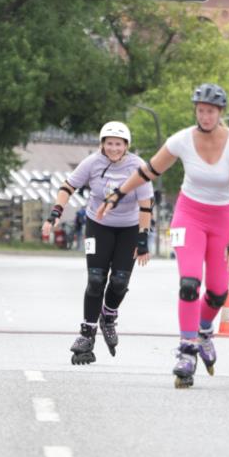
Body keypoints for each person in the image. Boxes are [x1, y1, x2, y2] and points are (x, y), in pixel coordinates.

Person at [97, 83, 229, 388]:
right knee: (190, 283)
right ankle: (187, 350)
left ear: (220, 113)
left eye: (211, 111)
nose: (205, 116)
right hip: (189, 216)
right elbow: (148, 171)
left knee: (219, 292)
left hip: (222, 218)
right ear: (196, 111)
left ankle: (205, 329)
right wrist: (117, 194)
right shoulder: (181, 140)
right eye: (201, 110)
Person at [42, 121, 153, 365]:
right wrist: (55, 213)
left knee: (120, 282)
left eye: (118, 144)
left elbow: (146, 203)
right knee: (95, 279)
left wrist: (143, 237)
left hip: (129, 228)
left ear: (126, 146)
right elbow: (68, 186)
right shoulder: (92, 163)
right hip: (98, 225)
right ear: (102, 145)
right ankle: (87, 335)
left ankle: (109, 315)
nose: (114, 148)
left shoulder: (137, 166)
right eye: (109, 143)